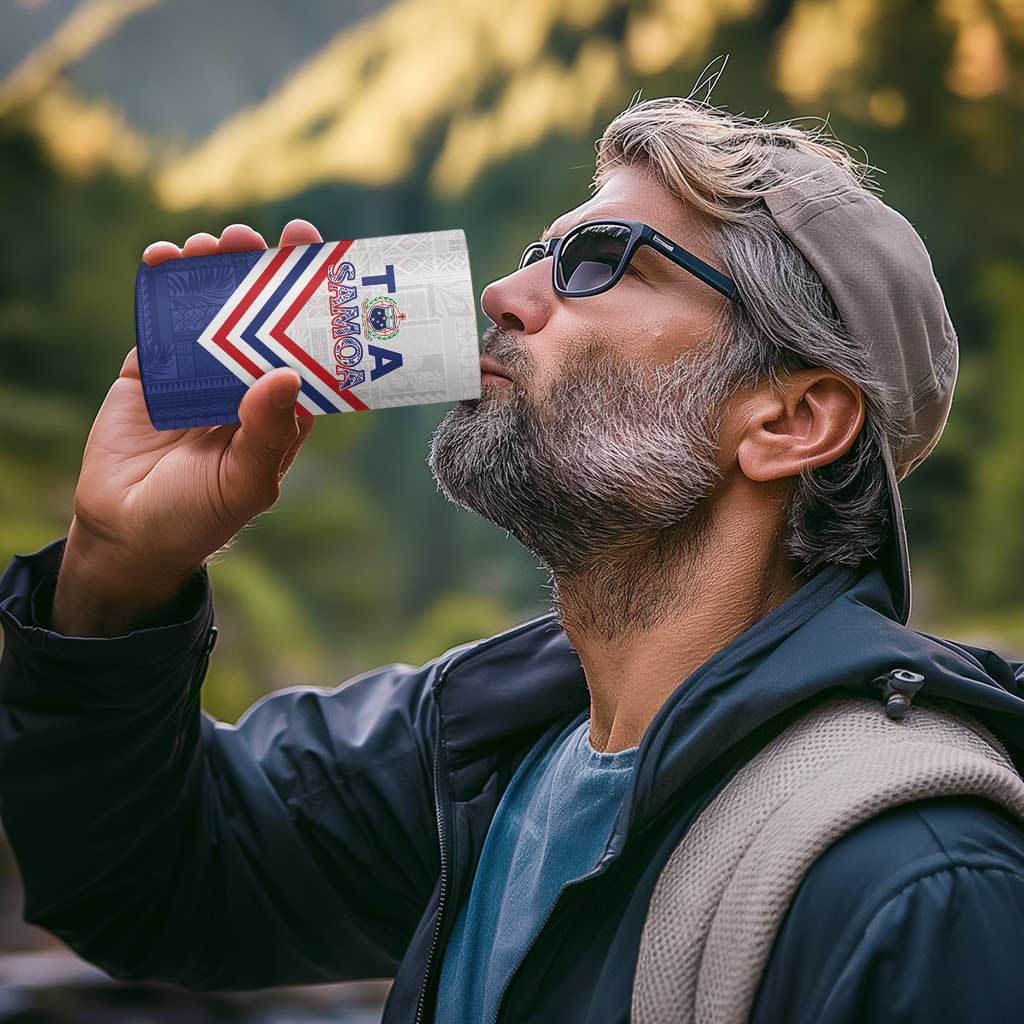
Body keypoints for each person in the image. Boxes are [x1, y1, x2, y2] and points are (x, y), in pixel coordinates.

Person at [2, 95, 1024, 1024]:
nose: (502, 292)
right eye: (541, 252)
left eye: (601, 261)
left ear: (790, 421)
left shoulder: (919, 887)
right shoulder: (482, 747)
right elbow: (150, 879)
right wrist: (116, 574)